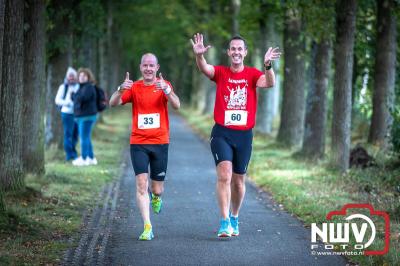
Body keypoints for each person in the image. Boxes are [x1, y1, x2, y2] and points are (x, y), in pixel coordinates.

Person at [190, 33, 281, 237]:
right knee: (224, 175)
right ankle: (223, 222)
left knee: (239, 181)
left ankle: (234, 216)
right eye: (233, 49)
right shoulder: (221, 72)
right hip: (222, 132)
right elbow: (205, 68)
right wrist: (199, 56)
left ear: (245, 53)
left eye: (240, 49)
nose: (237, 52)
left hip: (244, 136)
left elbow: (269, 83)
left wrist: (267, 65)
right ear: (229, 52)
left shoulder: (252, 74)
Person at [109, 53, 180, 240]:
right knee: (141, 185)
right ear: (141, 67)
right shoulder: (134, 87)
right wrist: (119, 89)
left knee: (157, 189)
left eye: (151, 66)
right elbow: (112, 103)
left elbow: (177, 105)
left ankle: (156, 197)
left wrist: (167, 91)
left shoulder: (163, 85)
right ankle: (147, 226)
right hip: (138, 142)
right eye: (145, 65)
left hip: (160, 142)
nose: (148, 69)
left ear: (157, 68)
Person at [71, 68, 99, 166]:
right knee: (86, 137)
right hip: (82, 116)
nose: (82, 78)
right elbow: (77, 98)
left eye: (84, 76)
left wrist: (74, 95)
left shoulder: (88, 87)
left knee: (83, 138)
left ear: (88, 77)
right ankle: (91, 158)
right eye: (80, 76)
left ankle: (83, 159)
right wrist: (74, 96)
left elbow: (82, 98)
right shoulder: (81, 87)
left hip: (87, 117)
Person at [55, 67, 79, 161]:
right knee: (68, 134)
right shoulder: (63, 87)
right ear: (67, 77)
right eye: (70, 76)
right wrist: (68, 103)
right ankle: (69, 155)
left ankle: (73, 152)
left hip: (77, 114)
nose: (71, 78)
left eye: (73, 76)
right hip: (66, 113)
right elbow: (57, 100)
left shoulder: (78, 86)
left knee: (76, 134)